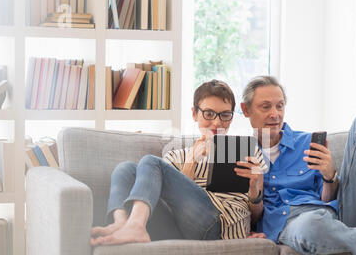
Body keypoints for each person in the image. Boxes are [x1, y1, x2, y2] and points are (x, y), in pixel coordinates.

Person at [240, 76, 356, 255]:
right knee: (311, 225)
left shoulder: (307, 142)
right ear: (246, 110)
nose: (275, 114)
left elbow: (326, 198)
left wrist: (329, 176)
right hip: (292, 223)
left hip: (338, 213)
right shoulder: (241, 153)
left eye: (280, 106)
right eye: (266, 107)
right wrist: (255, 189)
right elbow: (253, 219)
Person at [90, 79, 267, 246]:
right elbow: (169, 207)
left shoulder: (248, 153)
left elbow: (255, 217)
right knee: (125, 168)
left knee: (151, 162)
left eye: (225, 115)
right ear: (194, 114)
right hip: (176, 227)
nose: (217, 122)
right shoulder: (175, 157)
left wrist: (254, 190)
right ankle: (121, 223)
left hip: (218, 227)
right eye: (209, 113)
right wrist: (191, 161)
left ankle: (135, 226)